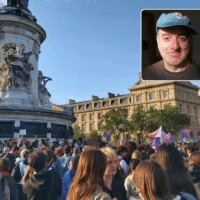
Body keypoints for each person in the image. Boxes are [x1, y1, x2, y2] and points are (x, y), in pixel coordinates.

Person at [142, 12, 200, 80]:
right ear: (157, 40)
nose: (175, 47)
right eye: (167, 38)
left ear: (189, 41)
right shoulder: (146, 74)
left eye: (182, 38)